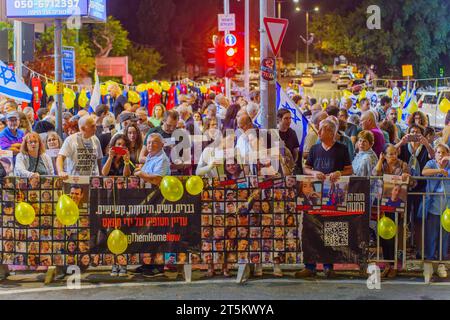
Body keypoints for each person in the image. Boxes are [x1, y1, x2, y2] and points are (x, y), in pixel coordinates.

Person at [296, 119, 353, 279]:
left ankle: (329, 266)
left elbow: (349, 170)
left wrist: (339, 173)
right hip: (314, 195)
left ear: (330, 132)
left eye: (321, 130)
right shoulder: (314, 149)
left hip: (333, 195)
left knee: (331, 229)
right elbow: (306, 167)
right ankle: (310, 266)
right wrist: (313, 173)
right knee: (310, 230)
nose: (318, 133)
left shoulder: (341, 149)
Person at [422, 144, 450, 278]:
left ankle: (441, 265)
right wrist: (439, 170)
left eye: (443, 152)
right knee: (431, 237)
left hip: (447, 210)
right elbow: (424, 172)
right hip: (433, 208)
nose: (440, 154)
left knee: (444, 238)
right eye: (438, 152)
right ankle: (429, 265)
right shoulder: (431, 163)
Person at [277, 109, 302, 174]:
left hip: (289, 168)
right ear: (279, 119)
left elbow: (295, 151)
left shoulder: (292, 133)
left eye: (290, 118)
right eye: (286, 118)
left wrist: (293, 164)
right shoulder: (274, 133)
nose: (289, 121)